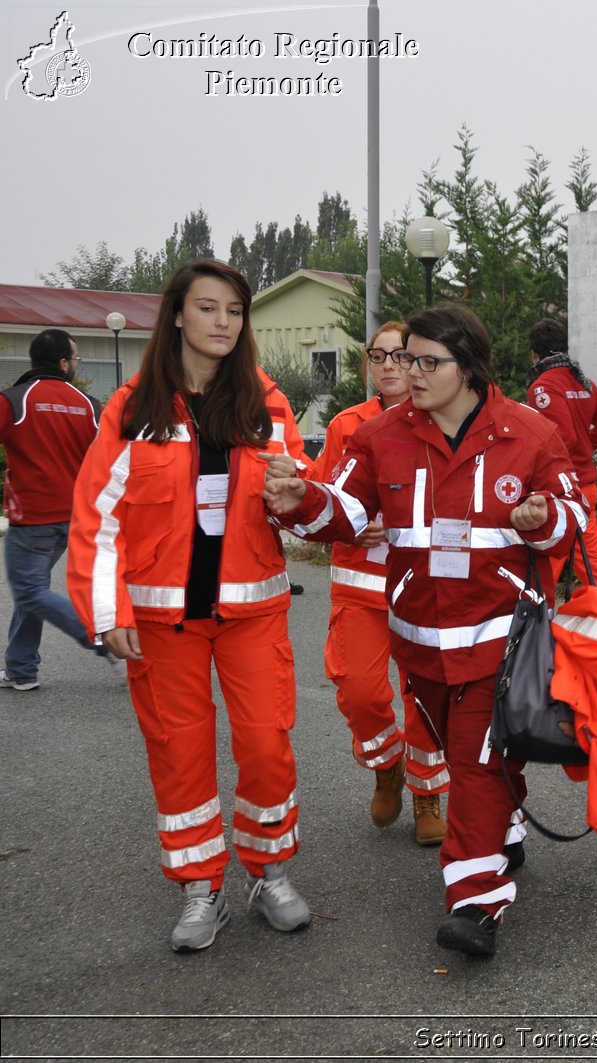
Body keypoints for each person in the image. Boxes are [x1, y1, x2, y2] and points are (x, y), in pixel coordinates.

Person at [264, 304, 587, 959]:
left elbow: (573, 517)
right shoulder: (380, 435)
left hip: (498, 639)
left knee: (471, 761)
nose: (406, 371)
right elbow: (347, 509)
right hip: (419, 643)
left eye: (424, 361)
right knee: (478, 761)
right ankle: (505, 815)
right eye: (403, 358)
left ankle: (476, 902)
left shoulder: (529, 432)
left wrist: (542, 514)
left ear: (467, 367)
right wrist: (301, 498)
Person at [67, 260, 314, 953]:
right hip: (159, 621)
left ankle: (268, 870)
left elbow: (301, 500)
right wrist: (107, 609)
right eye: (208, 308)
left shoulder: (266, 404)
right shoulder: (133, 407)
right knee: (180, 752)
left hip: (253, 612)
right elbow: (97, 516)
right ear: (177, 314)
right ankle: (200, 884)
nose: (223, 323)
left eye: (235, 311)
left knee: (267, 741)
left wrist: (300, 494)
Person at [314, 322, 448, 844]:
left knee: (425, 698)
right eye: (379, 355)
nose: (390, 364)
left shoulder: (440, 422)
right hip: (359, 583)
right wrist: (345, 517)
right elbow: (323, 498)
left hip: (422, 586)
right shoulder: (347, 426)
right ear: (369, 364)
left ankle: (427, 795)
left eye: (402, 355)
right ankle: (387, 764)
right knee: (361, 693)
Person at [1, 329, 103, 691]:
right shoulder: (91, 405)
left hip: (32, 520)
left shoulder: (14, 400)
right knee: (35, 589)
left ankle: (100, 638)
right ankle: (21, 669)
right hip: (77, 517)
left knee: (29, 590)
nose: (76, 365)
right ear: (63, 363)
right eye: (75, 359)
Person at [525, 318, 597, 598]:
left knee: (546, 564)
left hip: (560, 491)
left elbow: (563, 439)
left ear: (534, 353)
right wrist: (585, 445)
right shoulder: (583, 382)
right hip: (586, 488)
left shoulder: (543, 387)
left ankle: (530, 631)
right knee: (593, 567)